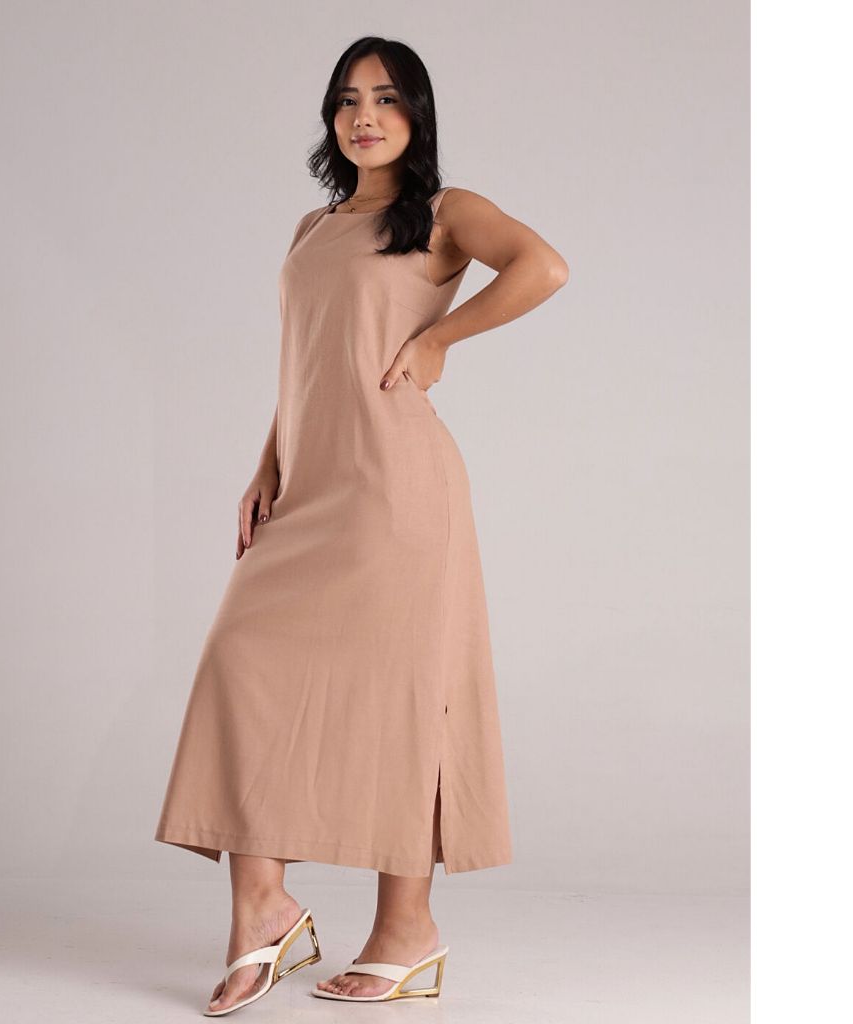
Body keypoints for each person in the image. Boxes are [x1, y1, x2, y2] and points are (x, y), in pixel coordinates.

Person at [153, 36, 569, 1015]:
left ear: (417, 114)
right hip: (311, 484)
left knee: (400, 699)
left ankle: (406, 932)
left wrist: (440, 337)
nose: (364, 116)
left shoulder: (445, 212)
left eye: (386, 98)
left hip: (397, 488)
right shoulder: (314, 226)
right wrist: (267, 461)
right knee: (241, 664)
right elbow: (309, 356)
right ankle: (263, 909)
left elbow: (543, 267)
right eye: (347, 99)